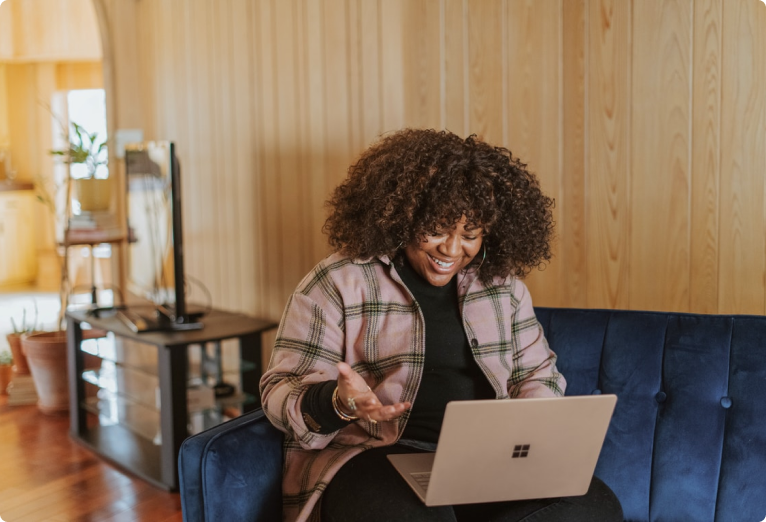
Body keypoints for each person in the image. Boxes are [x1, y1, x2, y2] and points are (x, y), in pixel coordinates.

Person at [260, 129, 623, 522]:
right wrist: (338, 401)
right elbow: (280, 391)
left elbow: (537, 375)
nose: (451, 250)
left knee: (594, 508)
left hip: (485, 460)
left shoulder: (505, 289)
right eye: (436, 230)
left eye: (469, 235)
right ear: (403, 216)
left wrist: (527, 432)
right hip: (374, 456)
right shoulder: (339, 282)